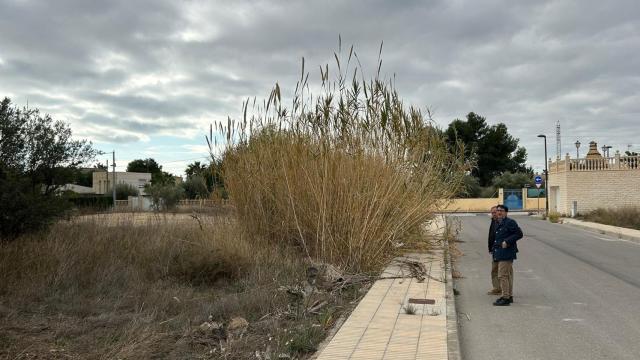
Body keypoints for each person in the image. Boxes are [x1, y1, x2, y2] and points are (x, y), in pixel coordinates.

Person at [491, 204, 523, 306]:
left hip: (507, 252)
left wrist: (507, 241)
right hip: (499, 252)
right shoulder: (498, 222)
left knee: (502, 276)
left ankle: (505, 298)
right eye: (498, 210)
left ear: (506, 212)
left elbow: (519, 234)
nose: (499, 212)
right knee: (505, 275)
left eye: (501, 210)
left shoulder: (510, 222)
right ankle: (509, 296)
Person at [487, 206, 501, 295]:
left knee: (503, 271)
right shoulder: (493, 221)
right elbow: (491, 235)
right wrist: (490, 248)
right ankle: (497, 288)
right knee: (494, 270)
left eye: (495, 212)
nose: (493, 214)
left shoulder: (503, 222)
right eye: (492, 213)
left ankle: (505, 290)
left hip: (502, 250)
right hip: (494, 250)